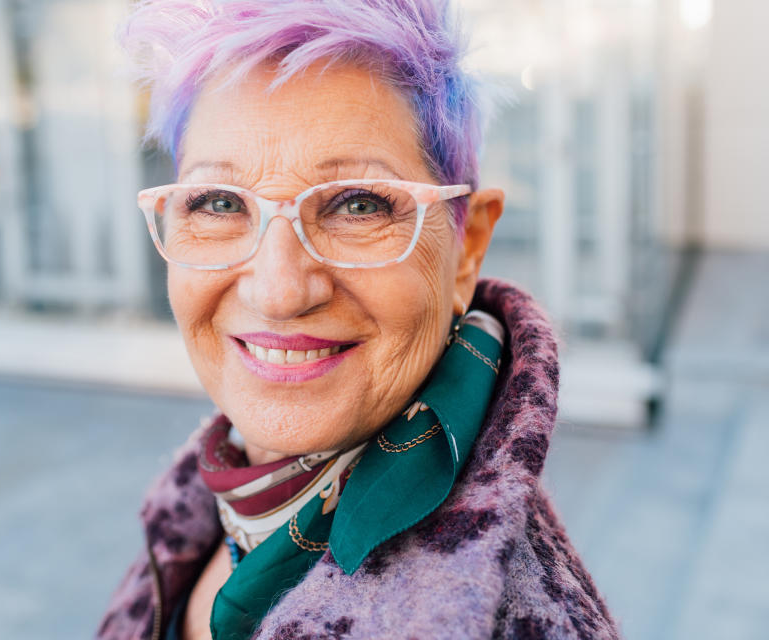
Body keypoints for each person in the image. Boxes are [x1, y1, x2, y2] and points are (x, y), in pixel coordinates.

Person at [97, 1, 619, 638]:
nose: (280, 291)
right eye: (219, 202)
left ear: (467, 249)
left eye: (358, 205)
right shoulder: (207, 508)